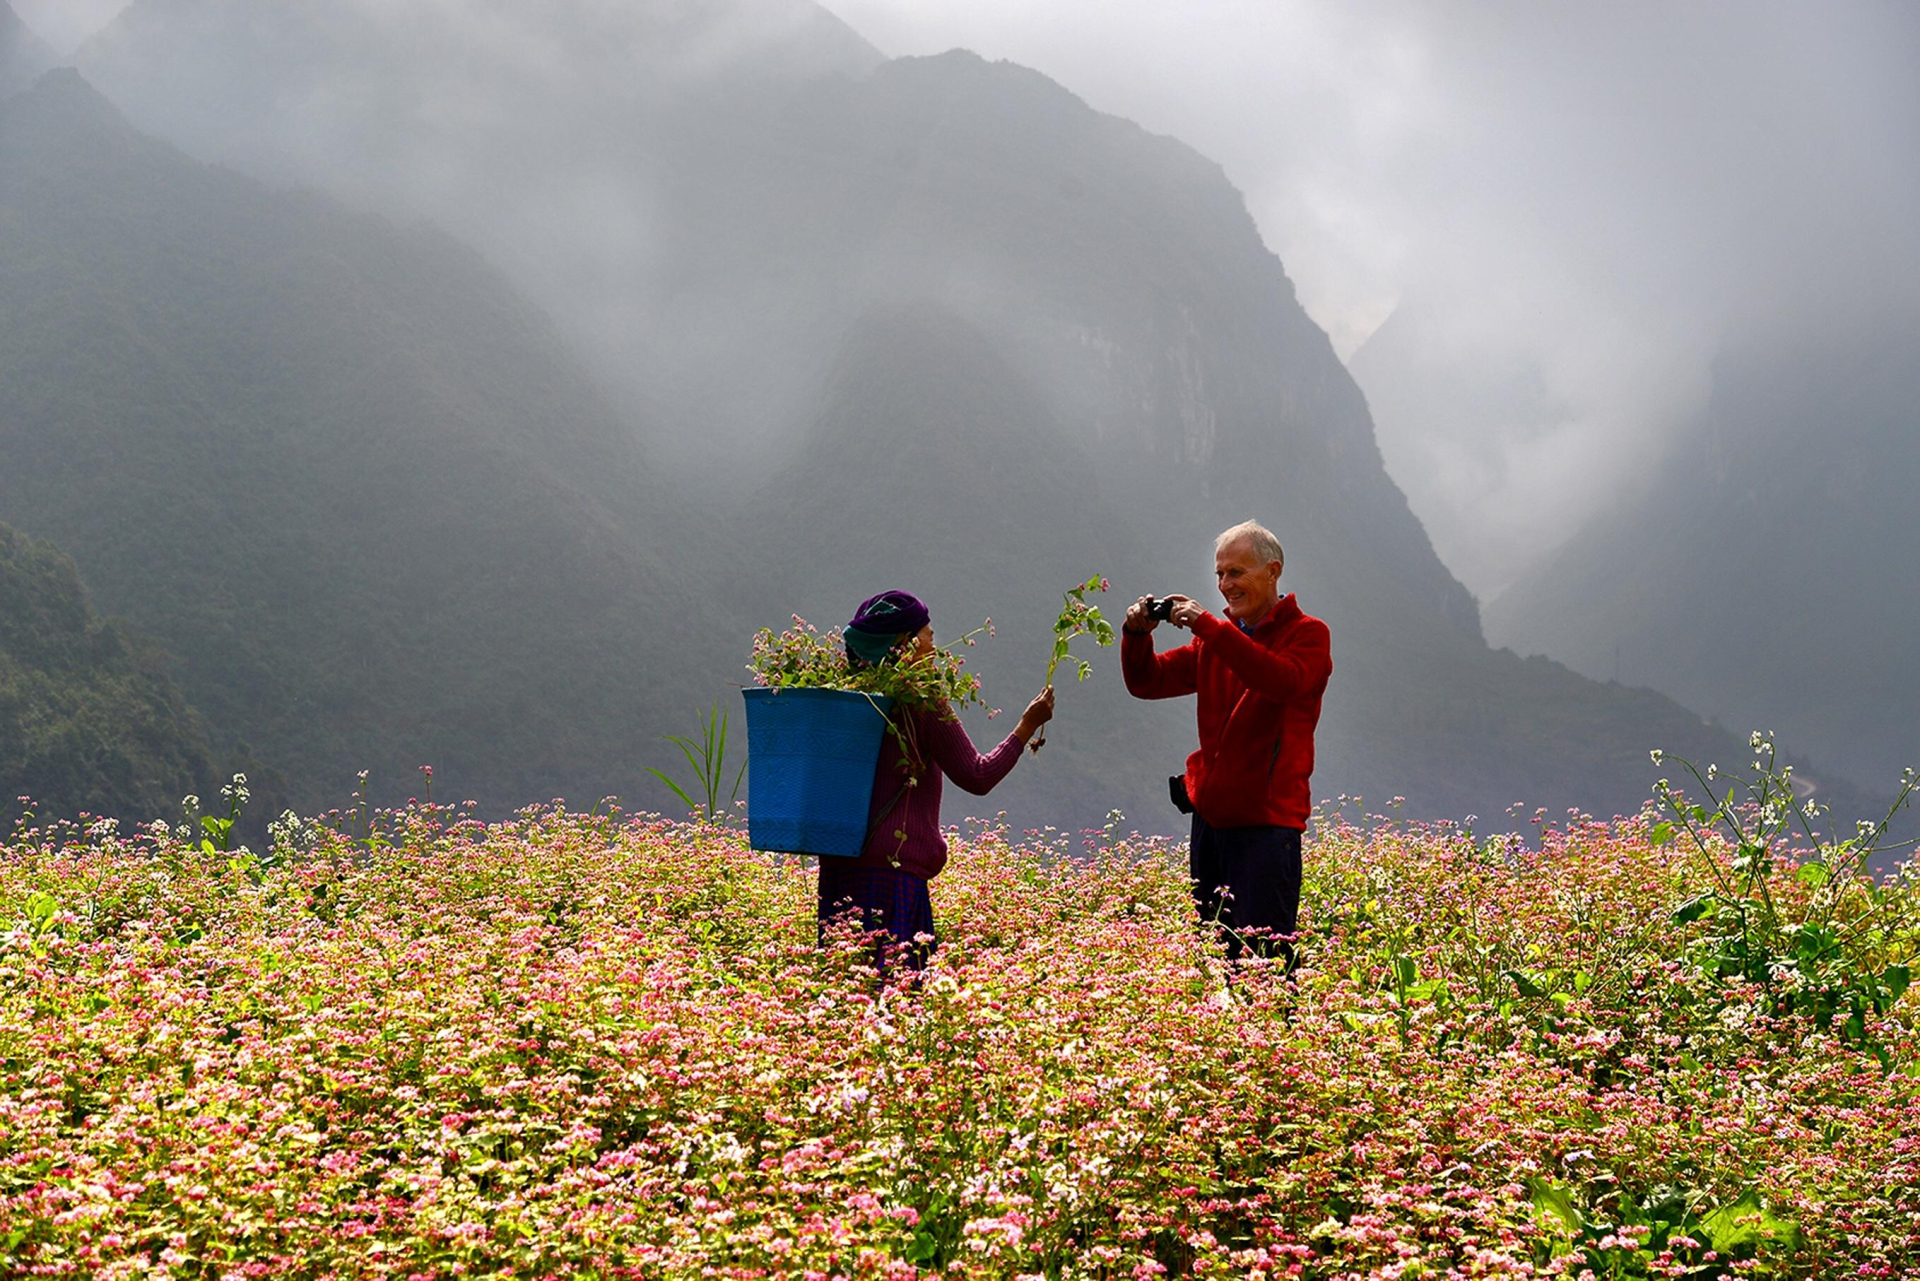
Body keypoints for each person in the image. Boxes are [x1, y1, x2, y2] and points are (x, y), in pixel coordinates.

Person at [1121, 521, 1331, 965]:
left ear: (1273, 571)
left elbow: (1280, 681)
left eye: (1236, 573)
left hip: (1266, 826)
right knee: (1216, 958)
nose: (1225, 585)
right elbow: (1147, 682)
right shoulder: (1216, 641)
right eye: (1220, 574)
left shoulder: (1309, 635)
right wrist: (1137, 635)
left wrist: (1210, 628)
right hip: (1212, 823)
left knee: (1263, 964)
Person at [820, 590, 1055, 976]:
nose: (934, 645)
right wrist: (1026, 726)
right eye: (928, 636)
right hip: (894, 879)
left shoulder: (843, 699)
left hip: (838, 872)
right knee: (893, 1005)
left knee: (842, 996)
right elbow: (977, 776)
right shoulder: (922, 702)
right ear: (906, 645)